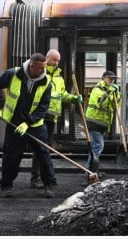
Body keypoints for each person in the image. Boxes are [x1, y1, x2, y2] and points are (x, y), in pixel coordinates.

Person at [0, 53, 57, 198]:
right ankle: (6, 186)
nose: (43, 71)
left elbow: (43, 108)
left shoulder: (46, 82)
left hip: (35, 125)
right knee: (11, 155)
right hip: (14, 122)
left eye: (44, 67)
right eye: (40, 68)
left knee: (43, 154)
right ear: (32, 66)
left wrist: (28, 123)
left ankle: (49, 185)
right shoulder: (13, 74)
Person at [30, 49, 83, 189]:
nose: (56, 63)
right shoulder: (40, 74)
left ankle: (43, 176)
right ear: (47, 58)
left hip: (52, 117)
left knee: (46, 148)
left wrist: (73, 99)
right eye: (54, 60)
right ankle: (35, 178)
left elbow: (62, 94)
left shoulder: (59, 78)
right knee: (39, 148)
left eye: (58, 60)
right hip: (40, 117)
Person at [85, 70, 121, 174]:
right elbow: (100, 103)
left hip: (101, 124)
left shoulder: (110, 89)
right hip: (94, 122)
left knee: (94, 148)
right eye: (110, 78)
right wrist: (110, 91)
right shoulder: (98, 88)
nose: (112, 81)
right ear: (103, 78)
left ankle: (92, 170)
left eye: (113, 79)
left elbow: (115, 106)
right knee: (98, 146)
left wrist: (117, 93)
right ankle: (90, 172)